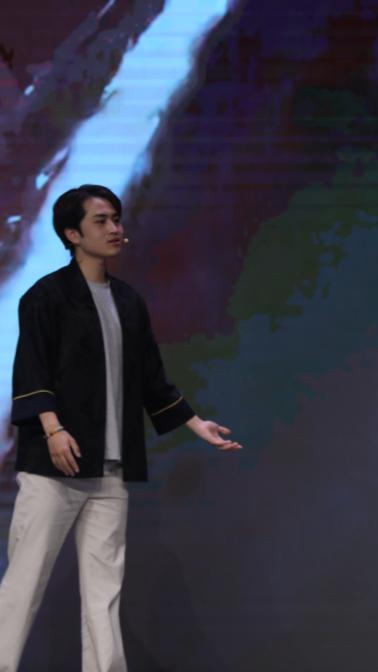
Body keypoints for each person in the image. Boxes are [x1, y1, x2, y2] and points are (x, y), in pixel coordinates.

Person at [0, 184, 242, 672]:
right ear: (72, 234)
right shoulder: (45, 297)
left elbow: (152, 378)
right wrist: (52, 429)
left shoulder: (128, 301)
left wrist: (196, 424)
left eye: (116, 219)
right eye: (101, 221)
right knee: (24, 584)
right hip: (53, 470)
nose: (114, 228)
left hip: (110, 470)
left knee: (104, 592)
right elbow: (31, 369)